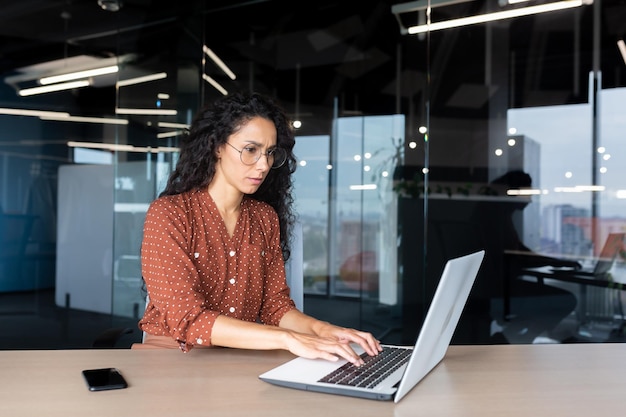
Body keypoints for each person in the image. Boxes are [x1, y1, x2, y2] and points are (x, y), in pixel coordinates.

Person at [135, 91, 381, 365]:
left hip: (237, 361)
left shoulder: (264, 218)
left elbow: (275, 306)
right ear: (217, 146)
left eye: (269, 153)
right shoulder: (169, 214)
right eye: (250, 150)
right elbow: (188, 319)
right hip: (171, 363)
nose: (263, 165)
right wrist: (287, 339)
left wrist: (325, 331)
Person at [478, 170, 580, 343]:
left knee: (562, 301)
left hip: (500, 287)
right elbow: (516, 256)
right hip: (498, 290)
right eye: (527, 194)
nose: (530, 200)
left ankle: (511, 337)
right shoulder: (494, 218)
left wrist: (555, 261)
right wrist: (555, 262)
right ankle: (514, 338)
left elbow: (518, 253)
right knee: (565, 300)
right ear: (513, 192)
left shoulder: (500, 215)